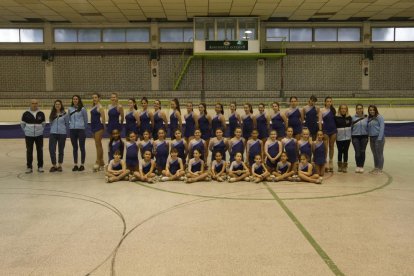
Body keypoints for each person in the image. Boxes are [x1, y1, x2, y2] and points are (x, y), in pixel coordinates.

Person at [21, 99, 46, 173]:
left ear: (37, 104)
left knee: (40, 151)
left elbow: (43, 124)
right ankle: (29, 167)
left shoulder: (41, 113)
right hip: (29, 136)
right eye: (33, 103)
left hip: (39, 135)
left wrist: (40, 130)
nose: (34, 104)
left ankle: (40, 166)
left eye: (36, 103)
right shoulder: (26, 113)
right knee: (29, 151)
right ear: (30, 104)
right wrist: (26, 131)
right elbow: (22, 124)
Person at [69, 95, 88, 172]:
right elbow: (69, 119)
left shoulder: (83, 109)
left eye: (76, 99)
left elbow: (86, 120)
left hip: (81, 130)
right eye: (74, 99)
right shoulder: (70, 109)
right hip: (72, 130)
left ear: (79, 100)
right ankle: (75, 164)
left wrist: (83, 128)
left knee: (82, 147)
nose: (75, 100)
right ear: (72, 100)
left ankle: (82, 164)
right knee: (75, 148)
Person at [48, 100, 69, 172]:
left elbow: (67, 123)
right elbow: (51, 123)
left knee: (61, 150)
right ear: (54, 105)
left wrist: (63, 130)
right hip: (53, 133)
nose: (57, 105)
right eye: (56, 104)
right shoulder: (52, 114)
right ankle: (54, 165)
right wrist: (53, 129)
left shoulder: (65, 114)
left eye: (59, 104)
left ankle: (60, 165)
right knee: (51, 149)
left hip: (62, 134)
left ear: (61, 105)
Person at [319, 96, 337, 172]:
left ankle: (331, 161)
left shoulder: (333, 110)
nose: (329, 102)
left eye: (330, 101)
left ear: (331, 102)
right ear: (325, 102)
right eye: (327, 101)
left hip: (333, 130)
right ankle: (325, 161)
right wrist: (320, 130)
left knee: (332, 146)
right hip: (325, 130)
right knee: (325, 147)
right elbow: (320, 121)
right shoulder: (322, 110)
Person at [368, 105, 385, 174]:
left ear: (375, 110)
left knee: (379, 154)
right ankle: (376, 168)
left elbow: (382, 128)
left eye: (373, 110)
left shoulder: (379, 117)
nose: (372, 111)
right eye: (370, 110)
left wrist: (379, 138)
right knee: (374, 154)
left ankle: (380, 169)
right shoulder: (369, 118)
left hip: (378, 138)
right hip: (371, 138)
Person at [351, 104, 369, 173]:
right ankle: (358, 166)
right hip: (355, 136)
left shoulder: (366, 117)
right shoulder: (353, 118)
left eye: (360, 108)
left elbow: (369, 127)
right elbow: (351, 128)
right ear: (356, 109)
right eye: (358, 108)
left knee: (362, 151)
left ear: (362, 109)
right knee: (357, 152)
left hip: (364, 136)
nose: (359, 110)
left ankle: (361, 166)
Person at [90, 93, 106, 172]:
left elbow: (103, 119)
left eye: (96, 97)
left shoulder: (100, 107)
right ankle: (102, 161)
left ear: (99, 98)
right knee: (98, 144)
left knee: (98, 144)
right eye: (93, 97)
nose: (94, 99)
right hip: (93, 126)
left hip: (98, 127)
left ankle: (98, 161)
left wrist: (103, 128)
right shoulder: (93, 106)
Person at [335, 104, 352, 173]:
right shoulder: (336, 117)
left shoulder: (349, 117)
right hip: (339, 138)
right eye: (342, 108)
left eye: (345, 108)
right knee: (340, 151)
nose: (343, 110)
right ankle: (339, 166)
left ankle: (345, 166)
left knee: (345, 152)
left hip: (347, 138)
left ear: (346, 110)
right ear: (339, 109)